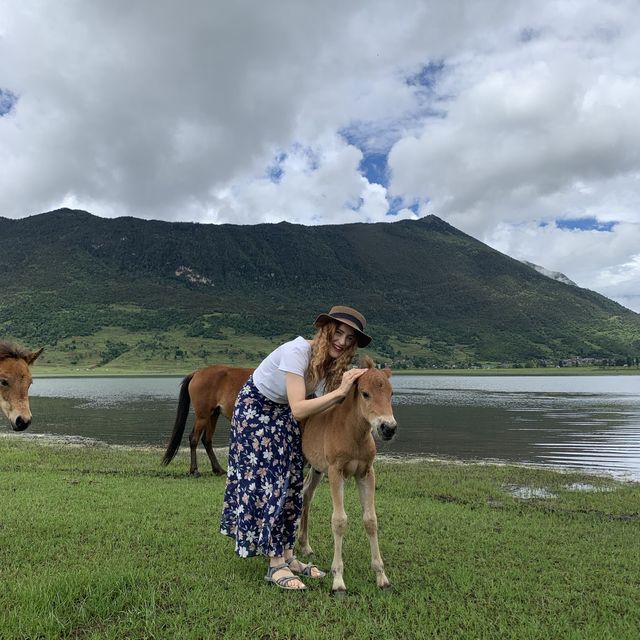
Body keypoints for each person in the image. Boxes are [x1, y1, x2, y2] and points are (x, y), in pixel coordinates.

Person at [220, 305, 372, 590]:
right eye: (337, 333)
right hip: (257, 411)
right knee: (271, 482)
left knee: (292, 482)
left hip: (284, 412)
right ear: (325, 330)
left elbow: (326, 404)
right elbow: (300, 409)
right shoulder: (296, 351)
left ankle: (289, 556)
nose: (342, 341)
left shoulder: (330, 363)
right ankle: (274, 563)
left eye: (349, 338)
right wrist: (340, 393)